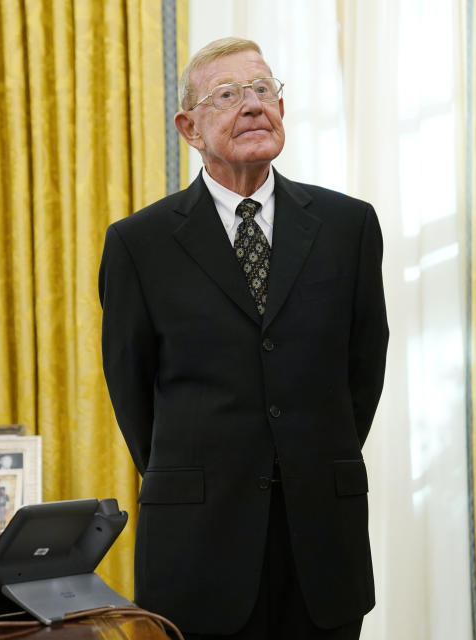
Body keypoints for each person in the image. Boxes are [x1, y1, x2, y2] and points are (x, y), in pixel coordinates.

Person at [98, 37, 388, 640]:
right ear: (189, 127)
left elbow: (364, 370)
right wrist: (199, 477)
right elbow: (132, 391)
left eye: (263, 90)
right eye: (227, 95)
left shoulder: (348, 226)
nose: (252, 105)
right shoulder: (138, 244)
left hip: (322, 543)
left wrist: (306, 455)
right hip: (199, 547)